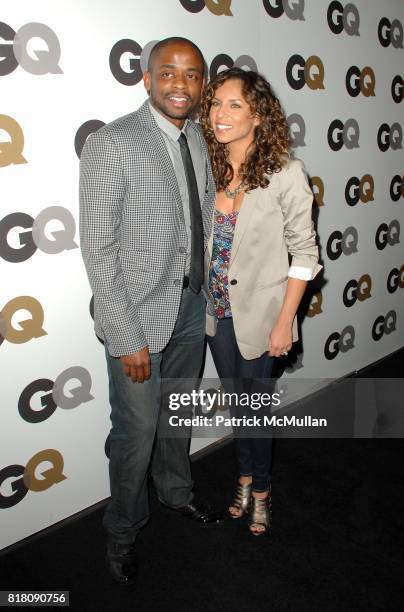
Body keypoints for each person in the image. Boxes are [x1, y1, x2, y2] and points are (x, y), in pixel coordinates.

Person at [79, 37, 221, 587]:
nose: (180, 85)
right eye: (168, 73)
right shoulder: (113, 142)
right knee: (136, 432)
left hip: (192, 304)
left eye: (191, 75)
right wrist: (124, 334)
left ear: (201, 84)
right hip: (135, 316)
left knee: (177, 416)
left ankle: (176, 494)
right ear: (147, 78)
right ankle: (122, 531)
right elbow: (99, 248)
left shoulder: (202, 141)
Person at [200, 68, 322, 535]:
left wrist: (284, 321)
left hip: (262, 315)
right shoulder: (209, 168)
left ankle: (262, 489)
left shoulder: (285, 173)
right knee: (238, 404)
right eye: (215, 103)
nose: (220, 114)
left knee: (254, 408)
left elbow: (305, 253)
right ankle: (246, 477)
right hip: (216, 315)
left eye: (234, 105)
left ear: (258, 114)